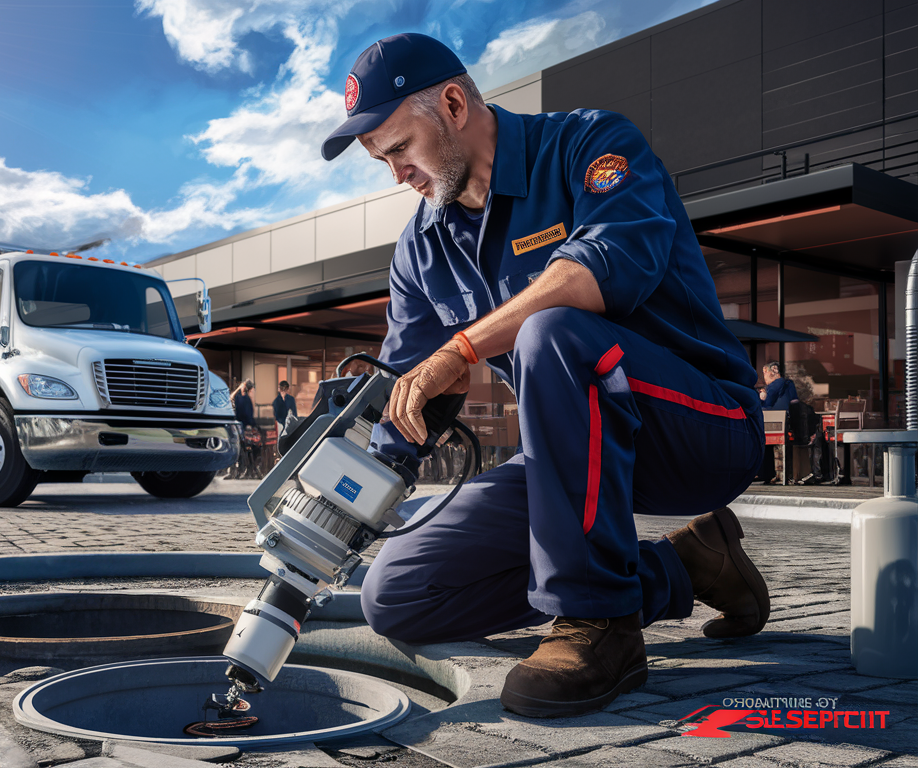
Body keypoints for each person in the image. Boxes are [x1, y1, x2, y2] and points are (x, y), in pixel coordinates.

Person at [321, 33, 769, 717]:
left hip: (698, 430)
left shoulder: (589, 146)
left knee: (553, 331)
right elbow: (407, 392)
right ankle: (684, 566)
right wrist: (338, 511)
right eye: (382, 161)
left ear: (451, 103)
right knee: (399, 594)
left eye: (399, 148)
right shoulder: (422, 247)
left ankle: (600, 623)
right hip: (572, 456)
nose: (396, 174)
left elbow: (597, 273)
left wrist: (462, 349)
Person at [756, 362, 799, 485]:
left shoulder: (776, 384)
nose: (764, 378)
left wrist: (761, 396)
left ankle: (765, 473)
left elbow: (767, 402)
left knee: (764, 443)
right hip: (787, 420)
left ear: (769, 373)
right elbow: (794, 402)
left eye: (764, 374)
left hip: (774, 421)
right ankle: (780, 475)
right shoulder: (788, 384)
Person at [232, 380, 261, 479]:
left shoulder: (239, 397)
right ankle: (249, 469)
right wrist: (253, 425)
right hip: (244, 426)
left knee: (244, 449)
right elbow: (248, 414)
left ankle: (245, 470)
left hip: (240, 426)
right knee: (250, 447)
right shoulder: (244, 399)